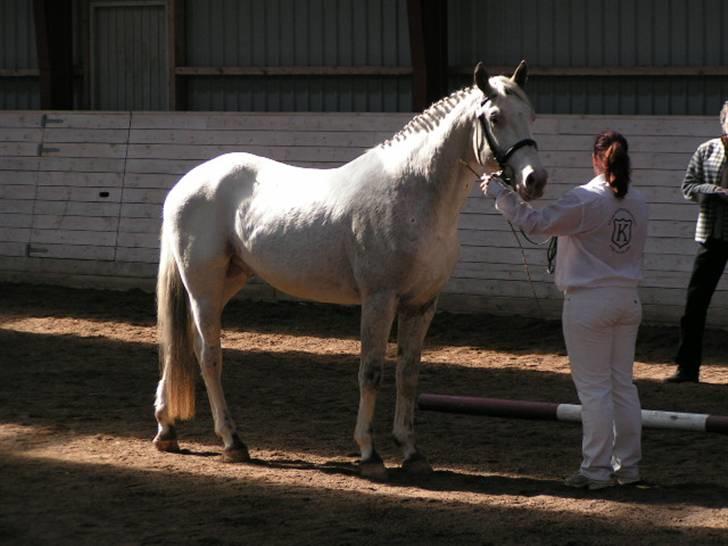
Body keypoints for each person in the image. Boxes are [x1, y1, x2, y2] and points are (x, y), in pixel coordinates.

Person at [481, 130, 649, 490]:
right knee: (622, 386)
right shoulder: (639, 201)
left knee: (594, 390)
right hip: (627, 298)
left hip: (589, 301)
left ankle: (596, 471)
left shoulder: (587, 199)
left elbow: (536, 224)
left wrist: (501, 195)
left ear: (595, 158)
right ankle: (629, 467)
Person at [666, 101, 728, 384]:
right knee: (695, 305)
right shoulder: (706, 150)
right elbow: (688, 187)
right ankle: (687, 367)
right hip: (711, 237)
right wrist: (714, 191)